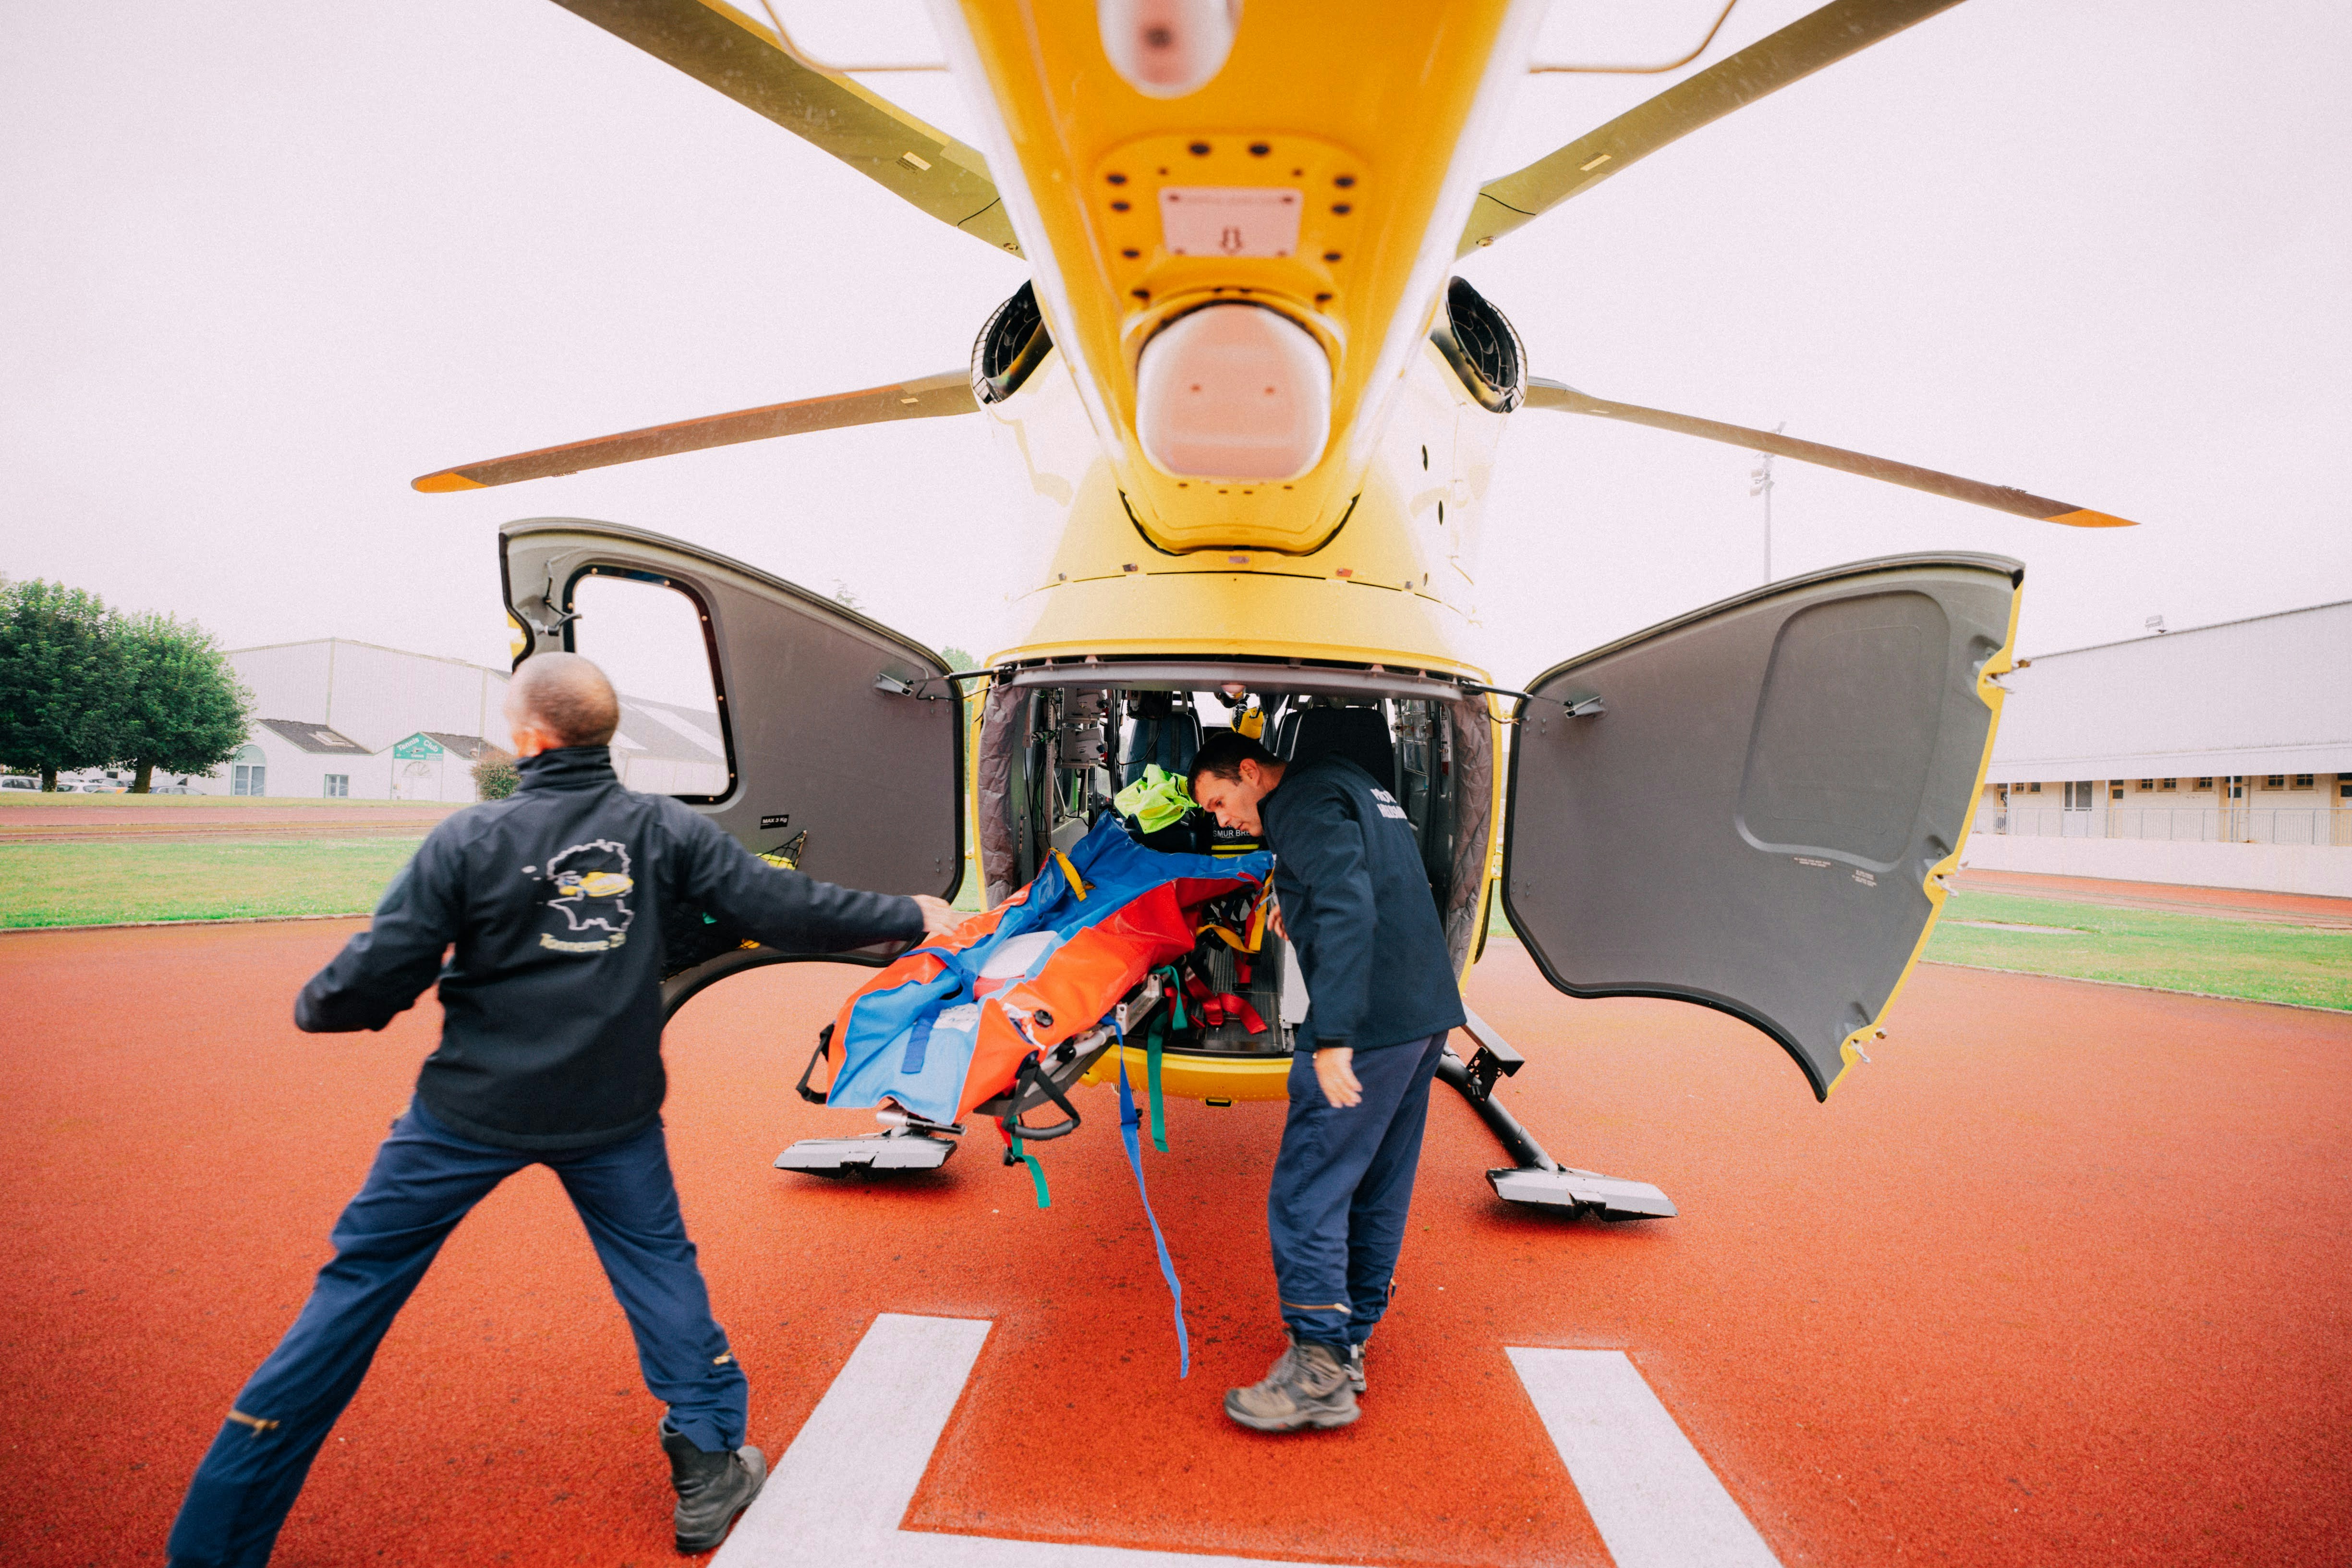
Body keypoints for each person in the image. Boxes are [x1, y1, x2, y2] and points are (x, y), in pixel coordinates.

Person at [165, 654, 955, 1565]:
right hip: (608, 1113)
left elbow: (373, 977)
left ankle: (217, 1543)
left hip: (462, 1113)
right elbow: (784, 904)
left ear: (526, 736)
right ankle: (708, 1468)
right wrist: (909, 910)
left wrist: (327, 1002)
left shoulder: (468, 839)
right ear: (603, 733)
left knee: (350, 1297)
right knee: (660, 1271)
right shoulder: (663, 830)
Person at [1188, 726, 1465, 1432]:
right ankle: (1351, 1338)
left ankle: (1316, 1368)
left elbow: (1348, 906)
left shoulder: (1303, 804)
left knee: (1309, 1183)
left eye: (1221, 801)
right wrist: (1296, 902)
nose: (1223, 819)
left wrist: (1333, 1035)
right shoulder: (1340, 774)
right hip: (1421, 1010)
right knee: (1378, 1181)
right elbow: (1365, 874)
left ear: (1249, 771)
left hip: (1368, 1023)